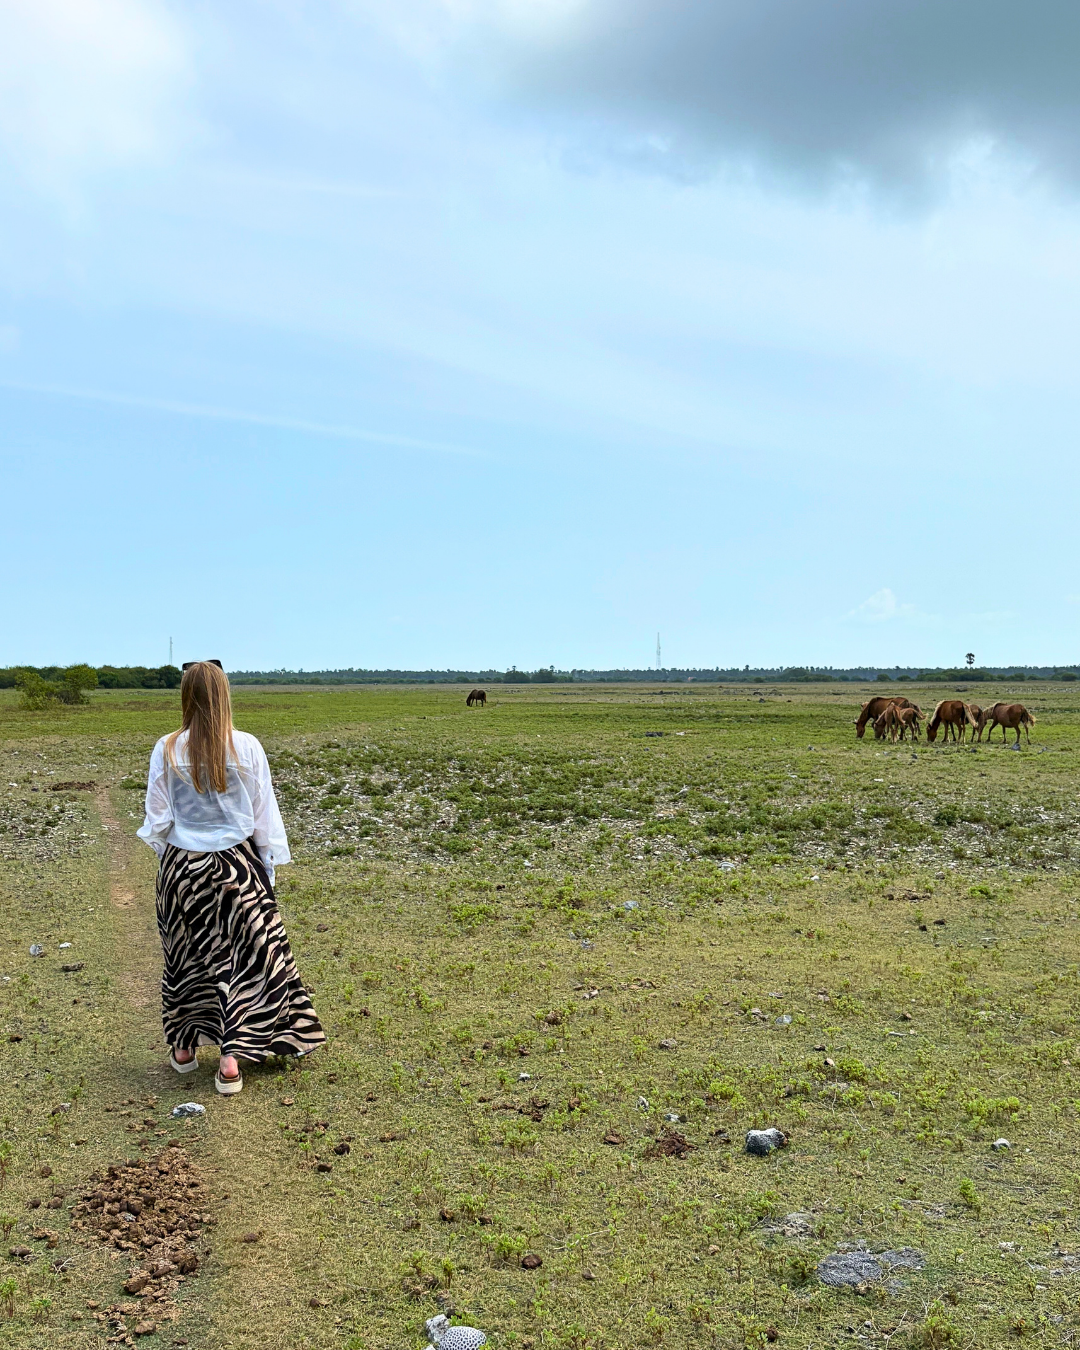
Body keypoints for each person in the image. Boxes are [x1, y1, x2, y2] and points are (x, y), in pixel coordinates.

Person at [137, 660, 324, 1094]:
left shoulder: (166, 748)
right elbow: (264, 817)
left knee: (185, 959)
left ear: (186, 696)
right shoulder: (247, 746)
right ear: (224, 694)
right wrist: (266, 871)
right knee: (246, 961)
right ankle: (230, 1062)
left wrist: (176, 862)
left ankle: (184, 1050)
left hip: (181, 868)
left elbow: (158, 820)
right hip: (237, 869)